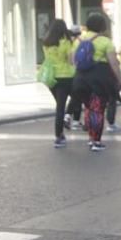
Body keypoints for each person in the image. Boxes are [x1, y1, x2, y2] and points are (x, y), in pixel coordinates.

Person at [72, 13, 121, 151]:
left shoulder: (78, 40)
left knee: (88, 108)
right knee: (98, 110)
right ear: (102, 25)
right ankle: (96, 141)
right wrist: (120, 80)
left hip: (81, 78)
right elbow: (114, 64)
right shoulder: (105, 41)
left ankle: (90, 138)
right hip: (100, 78)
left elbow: (73, 60)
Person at [41, 19, 76, 147]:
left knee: (59, 105)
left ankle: (59, 135)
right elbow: (71, 60)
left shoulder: (46, 43)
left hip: (51, 78)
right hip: (66, 76)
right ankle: (61, 129)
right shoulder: (66, 43)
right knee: (76, 96)